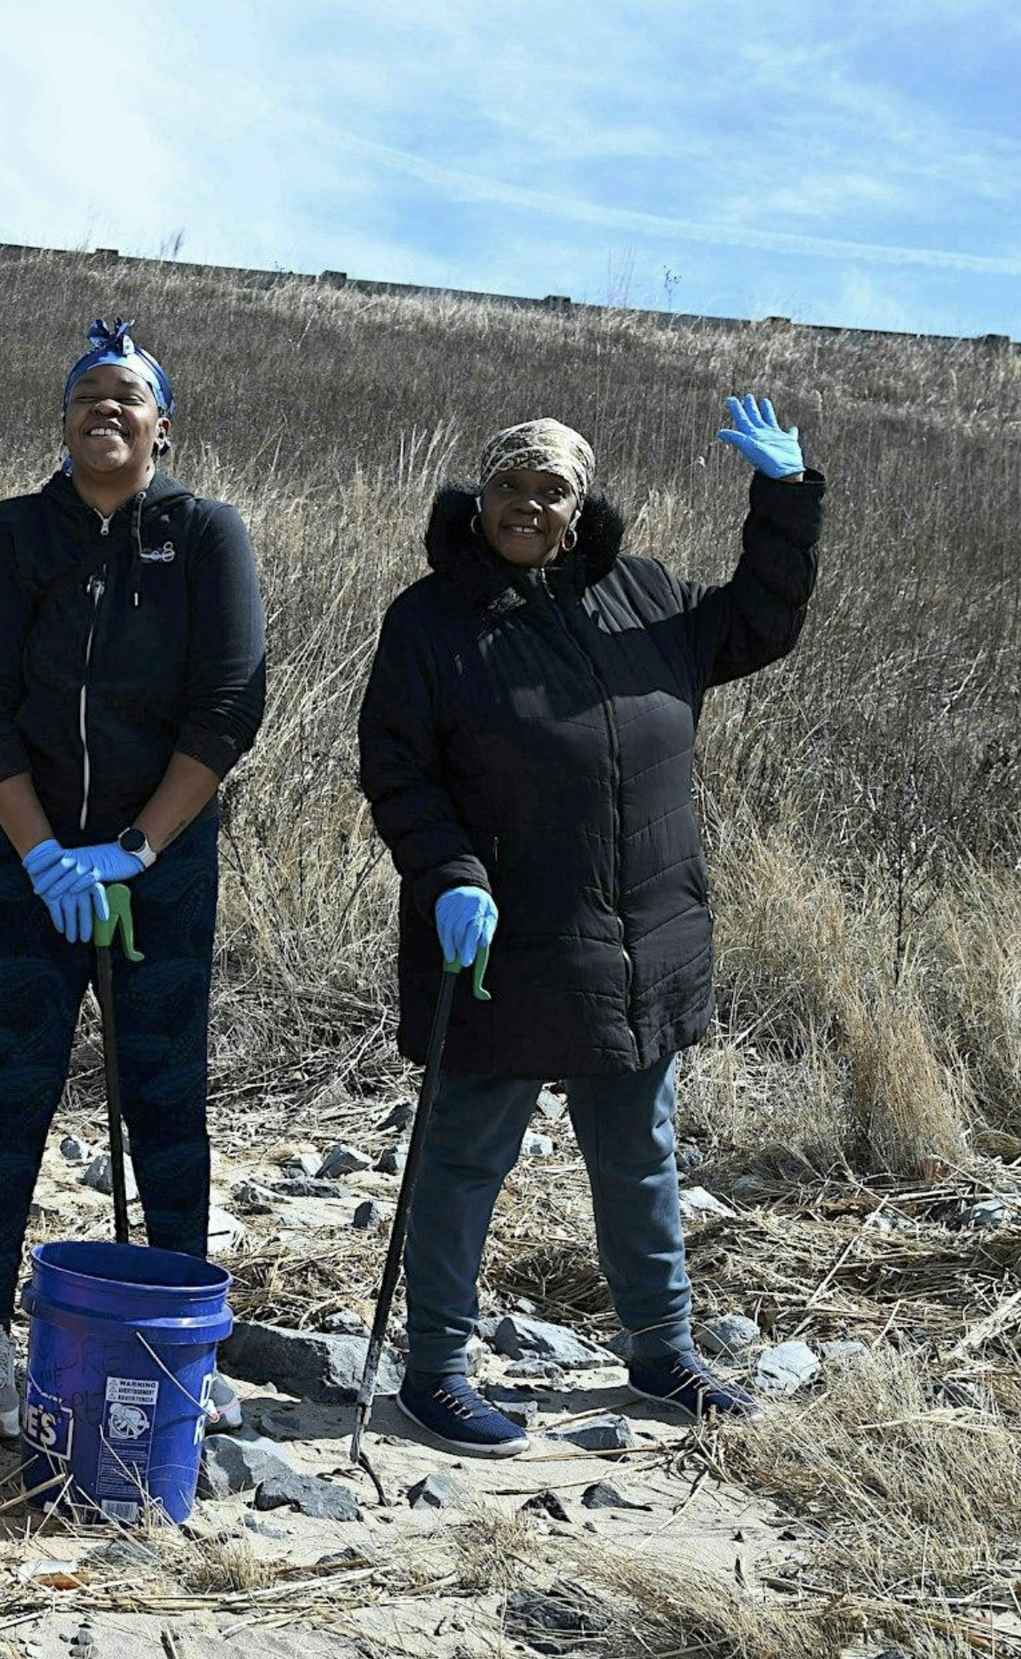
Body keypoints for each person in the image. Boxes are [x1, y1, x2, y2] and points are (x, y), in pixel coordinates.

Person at [355, 398, 824, 1455]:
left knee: (637, 1155)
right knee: (465, 1158)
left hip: (640, 934)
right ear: (481, 499)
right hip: (496, 941)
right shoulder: (429, 621)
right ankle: (435, 1371)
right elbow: (397, 768)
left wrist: (786, 499)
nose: (529, 505)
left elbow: (761, 621)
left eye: (551, 489)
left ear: (580, 506)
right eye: (511, 486)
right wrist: (447, 875)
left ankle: (661, 1357)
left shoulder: (643, 594)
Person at [0, 320, 267, 1436]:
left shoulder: (207, 535)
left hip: (155, 869)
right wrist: (39, 852)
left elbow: (229, 707)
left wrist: (133, 851)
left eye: (128, 396)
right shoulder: (11, 534)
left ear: (162, 425)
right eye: (86, 394)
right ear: (63, 422)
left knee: (166, 1098)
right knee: (12, 1091)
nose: (106, 409)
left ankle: (180, 1336)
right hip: (27, 860)